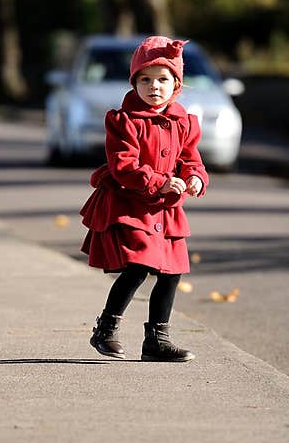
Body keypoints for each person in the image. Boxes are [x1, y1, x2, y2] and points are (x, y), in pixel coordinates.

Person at [79, 35, 209, 362]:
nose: (154, 87)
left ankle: (157, 341)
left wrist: (194, 177)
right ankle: (106, 329)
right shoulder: (123, 121)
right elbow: (123, 166)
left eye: (163, 80)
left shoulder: (184, 121)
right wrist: (160, 182)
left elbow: (191, 159)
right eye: (145, 80)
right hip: (132, 204)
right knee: (140, 265)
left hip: (167, 212)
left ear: (176, 84)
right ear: (134, 82)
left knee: (171, 271)